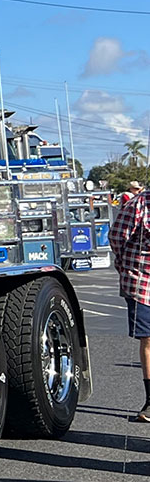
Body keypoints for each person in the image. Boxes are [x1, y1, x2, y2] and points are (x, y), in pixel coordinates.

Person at [108, 181, 150, 423]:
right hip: (143, 282)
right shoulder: (138, 205)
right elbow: (116, 238)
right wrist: (128, 267)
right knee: (148, 339)